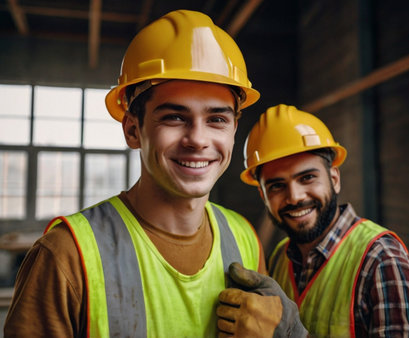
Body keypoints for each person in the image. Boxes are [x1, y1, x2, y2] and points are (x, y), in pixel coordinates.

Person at [4, 10, 268, 337]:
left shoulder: (245, 239)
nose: (198, 139)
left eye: (217, 120)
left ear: (233, 131)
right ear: (132, 130)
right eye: (174, 117)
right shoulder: (66, 257)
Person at [218, 104, 409, 337]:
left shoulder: (382, 259)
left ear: (334, 179)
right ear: (263, 196)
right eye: (277, 186)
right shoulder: (279, 258)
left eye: (307, 177)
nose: (295, 197)